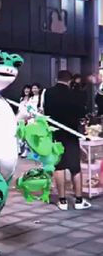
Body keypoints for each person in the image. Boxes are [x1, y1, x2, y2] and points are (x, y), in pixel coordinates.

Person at [43, 70, 91, 211]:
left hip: (56, 134)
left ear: (56, 78)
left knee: (59, 166)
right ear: (69, 80)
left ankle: (62, 201)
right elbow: (81, 113)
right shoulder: (74, 94)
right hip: (71, 134)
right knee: (75, 167)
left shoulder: (48, 92)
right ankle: (78, 200)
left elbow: (47, 112)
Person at [16, 85, 31, 157]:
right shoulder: (21, 99)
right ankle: (18, 149)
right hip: (20, 118)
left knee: (26, 135)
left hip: (28, 119)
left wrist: (27, 119)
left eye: (28, 90)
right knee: (18, 133)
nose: (27, 91)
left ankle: (26, 150)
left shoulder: (32, 99)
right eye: (25, 90)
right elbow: (19, 110)